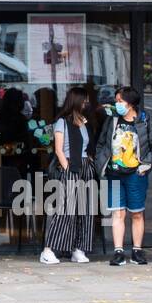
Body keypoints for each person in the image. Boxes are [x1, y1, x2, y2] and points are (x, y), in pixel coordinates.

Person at [94, 86, 152, 266]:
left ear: (131, 103)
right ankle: (118, 252)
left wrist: (145, 166)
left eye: (120, 101)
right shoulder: (112, 120)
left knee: (137, 213)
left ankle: (137, 250)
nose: (117, 104)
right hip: (114, 174)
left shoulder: (144, 120)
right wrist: (101, 163)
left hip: (136, 174)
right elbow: (101, 144)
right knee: (117, 212)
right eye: (117, 101)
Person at [39, 87, 97, 265]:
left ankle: (78, 249)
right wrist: (67, 168)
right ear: (77, 101)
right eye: (84, 100)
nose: (86, 103)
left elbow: (87, 147)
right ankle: (48, 250)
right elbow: (58, 149)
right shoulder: (62, 122)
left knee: (86, 210)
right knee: (65, 210)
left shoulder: (84, 122)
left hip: (85, 166)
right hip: (69, 167)